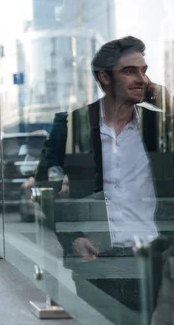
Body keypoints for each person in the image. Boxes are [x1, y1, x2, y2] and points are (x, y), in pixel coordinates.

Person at [33, 36, 173, 324]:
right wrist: (71, 240)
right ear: (104, 77)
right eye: (130, 71)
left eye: (144, 71)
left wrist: (170, 105)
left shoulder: (157, 128)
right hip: (93, 258)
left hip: (148, 259)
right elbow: (43, 189)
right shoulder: (72, 125)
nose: (142, 79)